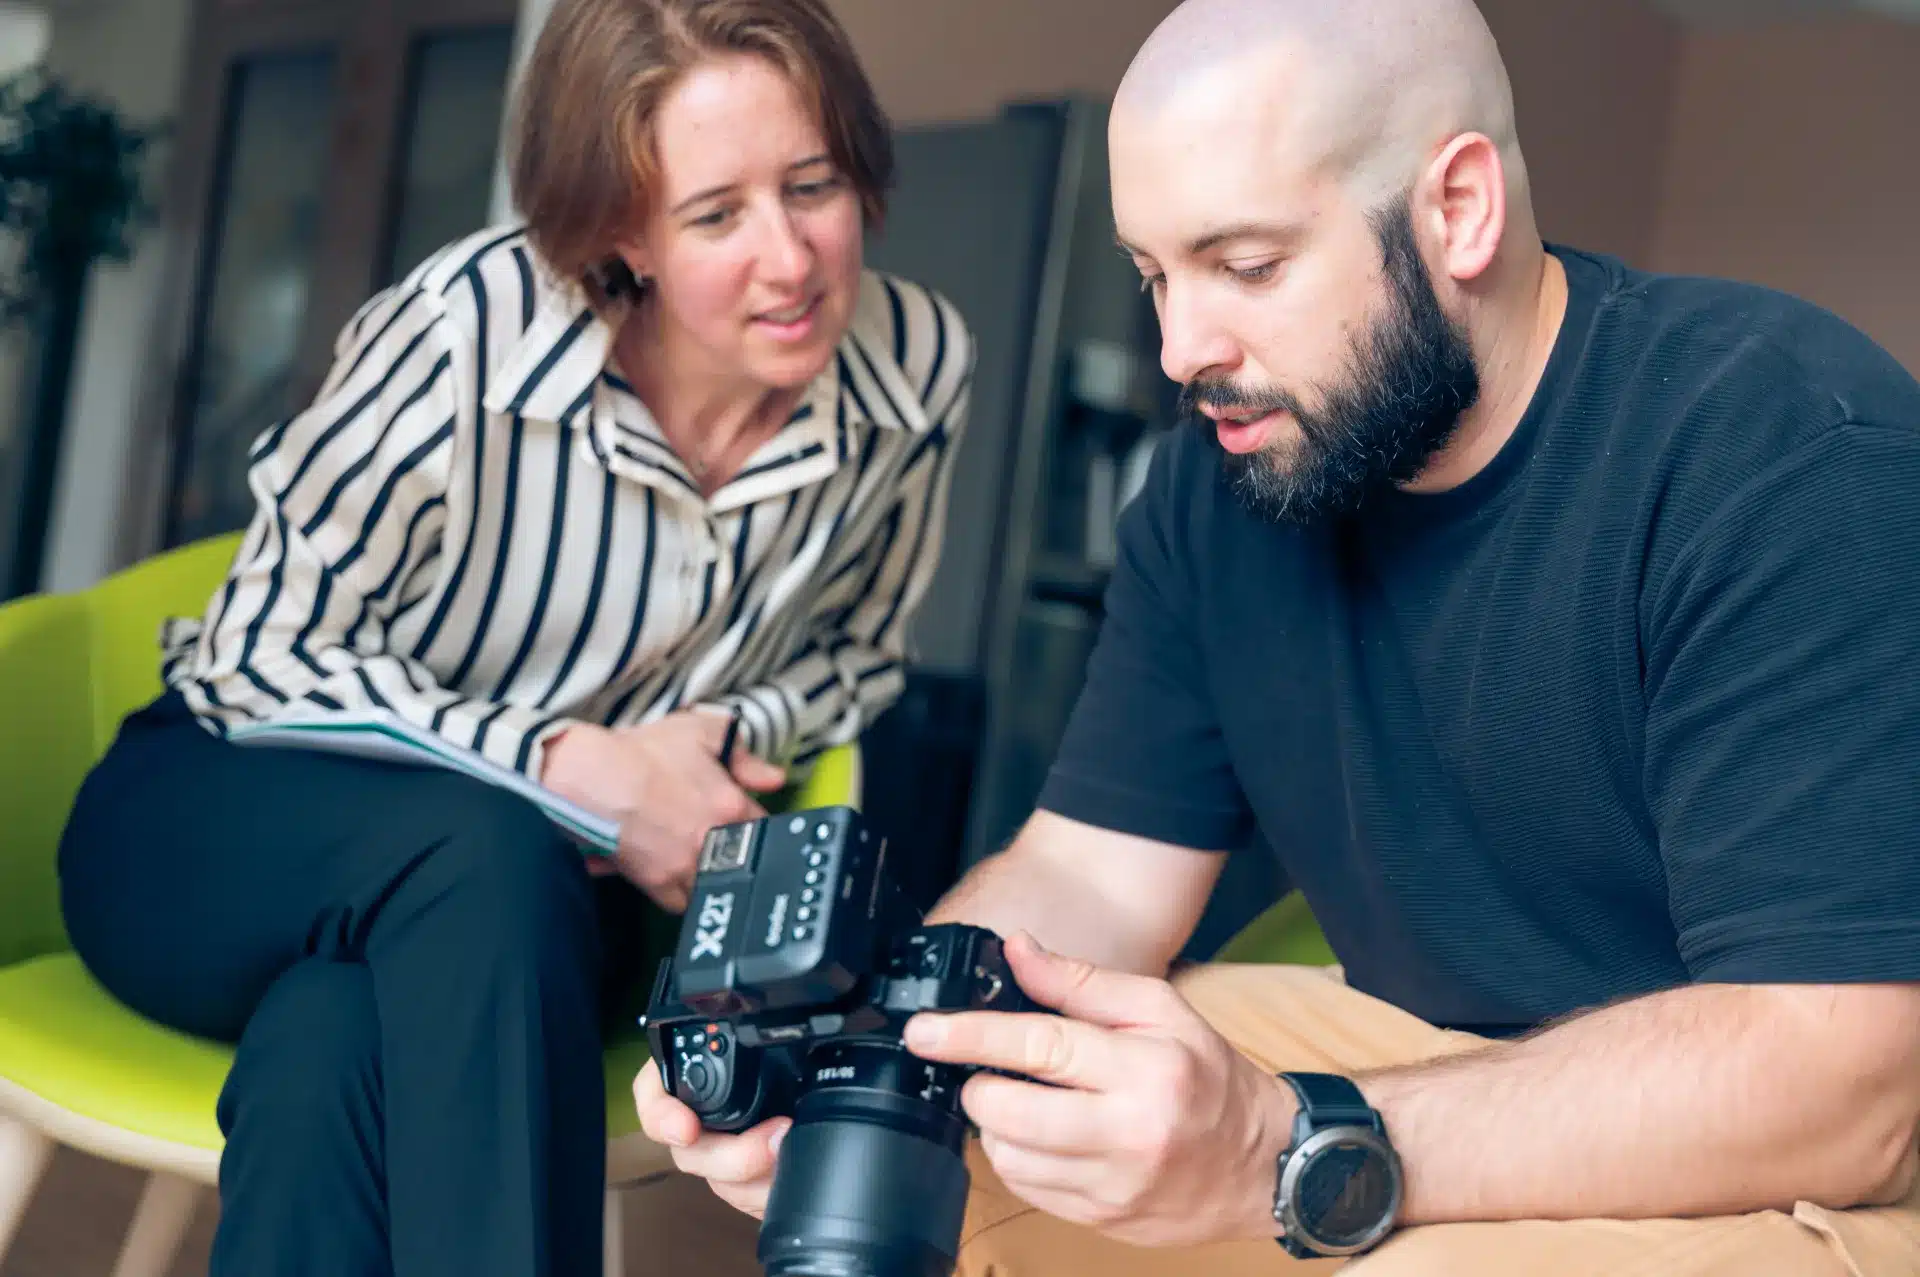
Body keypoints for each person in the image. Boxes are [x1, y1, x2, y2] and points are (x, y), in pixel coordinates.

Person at [635, 0, 1920, 1272]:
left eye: (1245, 266)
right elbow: (1088, 878)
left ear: (1457, 209)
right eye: (1153, 275)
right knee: (998, 1135)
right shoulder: (1218, 489)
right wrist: (872, 1065)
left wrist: (1288, 1142)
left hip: (1796, 1153)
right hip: (1418, 1069)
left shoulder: (1785, 454)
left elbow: (1845, 1075)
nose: (1182, 348)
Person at [55, 1, 973, 1274]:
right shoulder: (471, 327)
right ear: (620, 234)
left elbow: (859, 653)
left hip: (533, 925)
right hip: (222, 827)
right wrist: (571, 765)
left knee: (330, 1047)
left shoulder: (912, 366)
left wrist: (710, 739)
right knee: (484, 836)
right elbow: (255, 650)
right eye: (716, 216)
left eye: (812, 185)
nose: (793, 258)